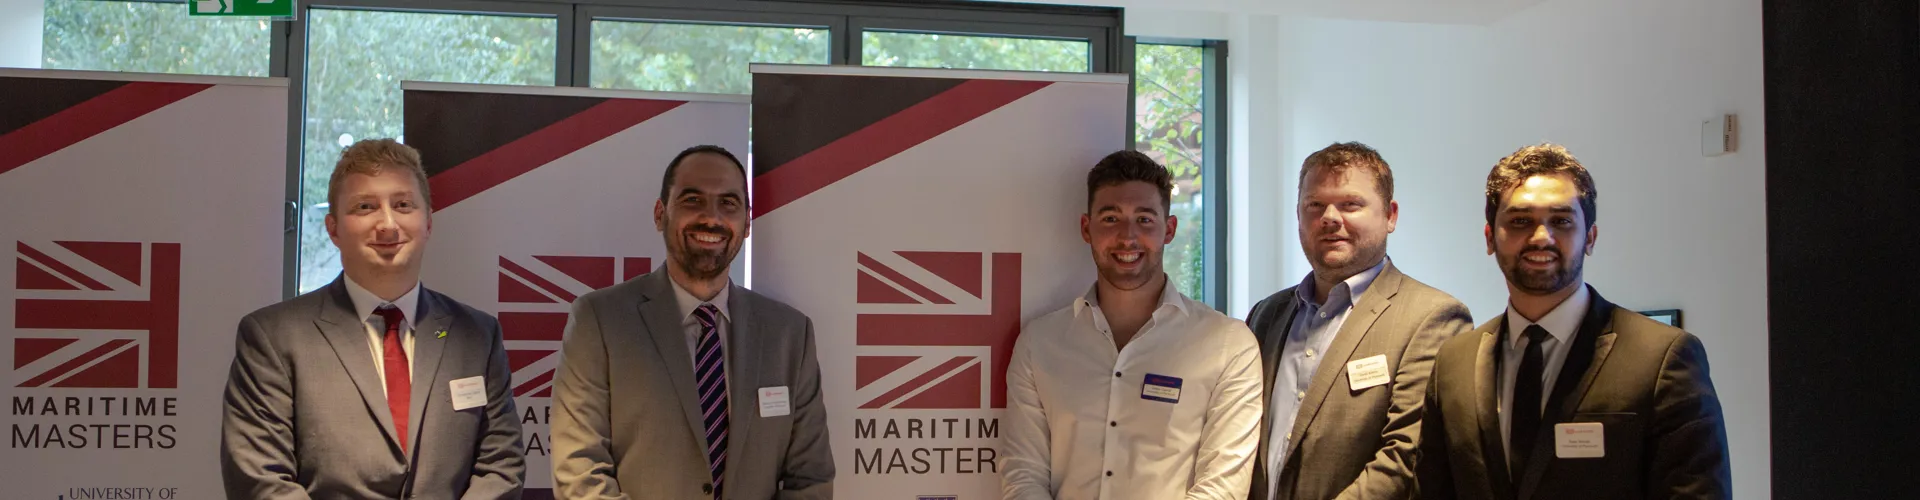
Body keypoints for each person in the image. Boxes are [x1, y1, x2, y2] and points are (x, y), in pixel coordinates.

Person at [1417, 143, 1731, 500]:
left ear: (1590, 238)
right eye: (1520, 221)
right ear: (1490, 238)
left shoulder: (1662, 358)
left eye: (1561, 221)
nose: (1541, 237)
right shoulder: (1454, 363)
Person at [221, 138, 525, 499]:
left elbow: (501, 467)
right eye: (365, 207)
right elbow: (260, 479)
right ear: (333, 229)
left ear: (428, 222)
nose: (388, 224)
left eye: (403, 205)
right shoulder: (273, 337)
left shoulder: (478, 336)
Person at [549, 145, 834, 499]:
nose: (711, 218)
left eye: (728, 203)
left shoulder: (790, 334)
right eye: (692, 200)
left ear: (746, 222)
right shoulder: (600, 321)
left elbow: (811, 479)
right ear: (659, 214)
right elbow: (579, 472)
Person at [1001, 150, 1264, 500]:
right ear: (1086, 228)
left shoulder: (1230, 345)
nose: (1128, 237)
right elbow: (1023, 473)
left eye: (1144, 219)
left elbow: (1221, 488)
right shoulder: (1039, 343)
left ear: (1168, 230)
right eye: (1111, 219)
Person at [1246, 142, 1473, 500]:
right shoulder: (1266, 315)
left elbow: (1405, 458)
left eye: (1350, 204)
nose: (1330, 218)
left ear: (1391, 215)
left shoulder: (1433, 319)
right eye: (1315, 205)